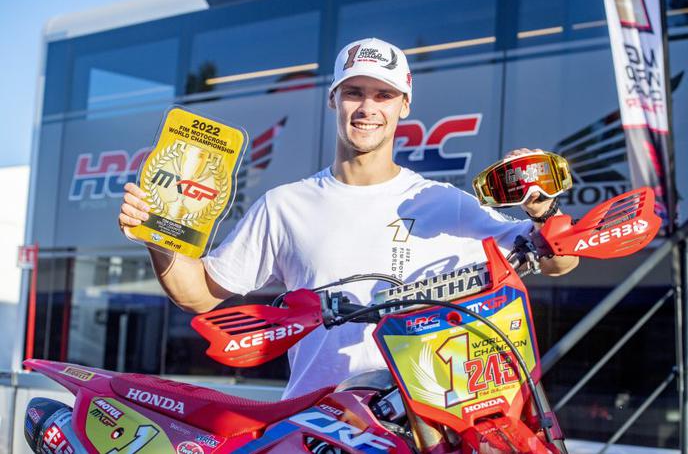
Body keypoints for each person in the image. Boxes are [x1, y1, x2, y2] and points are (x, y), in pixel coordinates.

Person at [118, 38, 578, 399]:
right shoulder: (285, 205)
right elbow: (198, 296)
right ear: (333, 100)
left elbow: (558, 261)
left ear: (404, 105)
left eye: (383, 94)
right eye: (354, 92)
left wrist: (543, 209)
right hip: (314, 425)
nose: (367, 108)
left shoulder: (444, 203)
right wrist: (157, 236)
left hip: (421, 428)